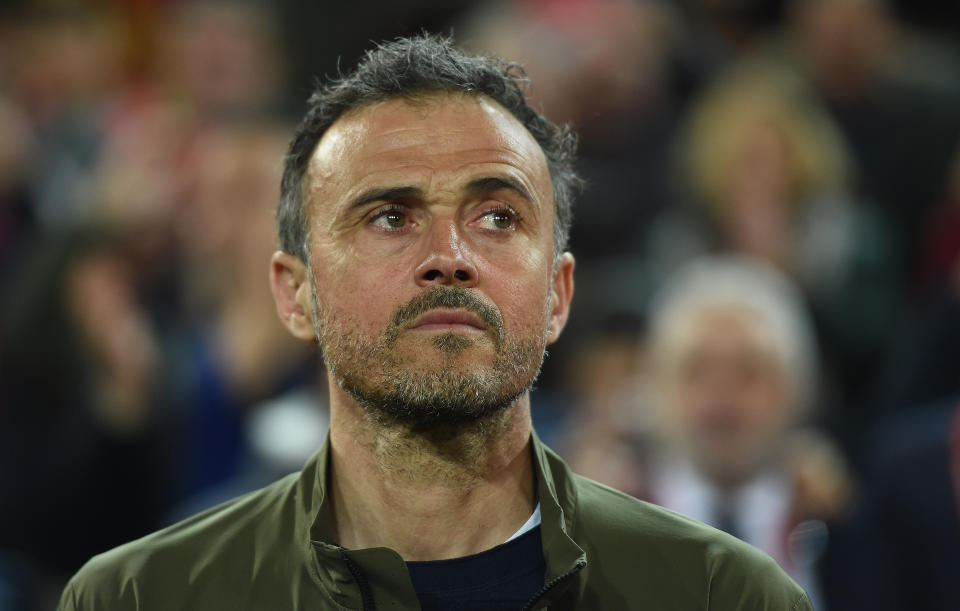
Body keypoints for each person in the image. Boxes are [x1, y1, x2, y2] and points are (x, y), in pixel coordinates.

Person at [57, 35, 811, 610]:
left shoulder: (724, 594)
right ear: (296, 295)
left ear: (558, 294)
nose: (449, 256)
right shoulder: (142, 596)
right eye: (390, 217)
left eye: (496, 215)